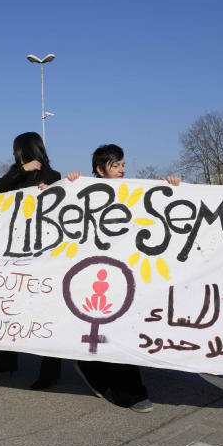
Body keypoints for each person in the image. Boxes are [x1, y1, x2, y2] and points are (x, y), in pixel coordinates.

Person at [73, 144, 181, 413]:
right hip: (97, 274)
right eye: (115, 165)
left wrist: (170, 186)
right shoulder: (83, 192)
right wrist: (70, 185)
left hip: (128, 273)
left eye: (123, 164)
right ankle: (129, 393)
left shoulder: (133, 189)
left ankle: (92, 368)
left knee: (122, 330)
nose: (123, 170)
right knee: (114, 330)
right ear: (100, 170)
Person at [0, 132, 64, 390]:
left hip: (40, 255)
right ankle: (3, 360)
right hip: (11, 252)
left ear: (23, 150)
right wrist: (21, 170)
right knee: (4, 308)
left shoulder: (52, 176)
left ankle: (50, 372)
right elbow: (0, 187)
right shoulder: (15, 174)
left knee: (45, 313)